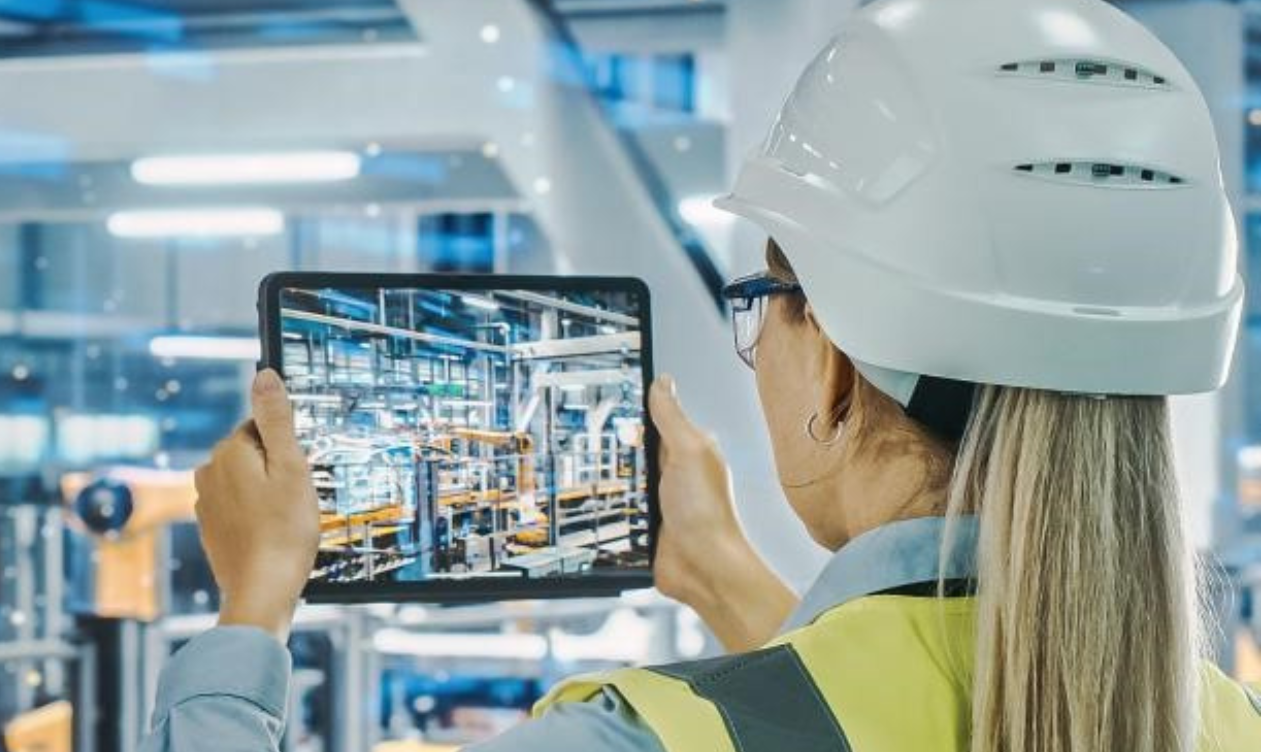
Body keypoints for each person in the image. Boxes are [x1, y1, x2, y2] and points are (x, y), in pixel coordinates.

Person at [147, 0, 1261, 750]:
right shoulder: (1224, 720)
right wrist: (724, 575)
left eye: (761, 301)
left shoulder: (637, 736)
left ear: (833, 367)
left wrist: (251, 607)